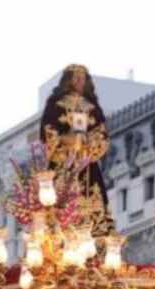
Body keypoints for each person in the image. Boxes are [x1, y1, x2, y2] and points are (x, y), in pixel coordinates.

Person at [40, 64, 111, 216]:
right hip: (63, 161)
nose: (79, 82)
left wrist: (89, 141)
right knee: (60, 202)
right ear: (68, 80)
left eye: (82, 79)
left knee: (93, 205)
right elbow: (48, 130)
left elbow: (102, 133)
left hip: (87, 163)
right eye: (76, 78)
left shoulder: (92, 107)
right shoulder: (56, 104)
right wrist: (66, 140)